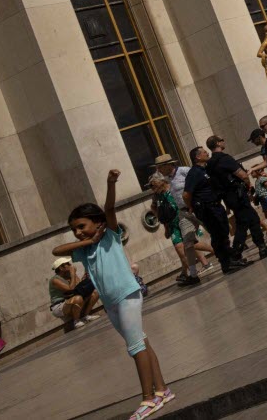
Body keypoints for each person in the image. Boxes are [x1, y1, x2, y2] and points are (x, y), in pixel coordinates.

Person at [55, 169, 172, 419]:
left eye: (82, 227)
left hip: (127, 294)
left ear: (97, 223)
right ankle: (162, 389)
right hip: (110, 303)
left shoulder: (110, 235)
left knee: (135, 346)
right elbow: (57, 250)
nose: (77, 233)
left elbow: (108, 208)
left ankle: (148, 399)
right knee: (141, 341)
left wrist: (110, 183)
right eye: (74, 229)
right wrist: (87, 241)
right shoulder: (85, 249)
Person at [206, 135, 267, 261]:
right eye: (222, 140)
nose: (224, 141)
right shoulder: (225, 158)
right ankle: (237, 252)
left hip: (228, 197)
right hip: (238, 195)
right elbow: (242, 174)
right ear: (218, 143)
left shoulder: (209, 164)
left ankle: (261, 246)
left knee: (252, 219)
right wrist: (249, 186)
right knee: (243, 223)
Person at [183, 147, 241, 274]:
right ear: (197, 157)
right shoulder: (194, 173)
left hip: (215, 206)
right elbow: (186, 195)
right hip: (207, 209)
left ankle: (230, 259)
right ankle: (225, 263)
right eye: (204, 152)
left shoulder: (206, 170)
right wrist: (191, 207)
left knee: (224, 232)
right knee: (218, 235)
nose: (207, 153)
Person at [146, 174, 202, 285]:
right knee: (180, 249)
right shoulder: (156, 196)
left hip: (183, 218)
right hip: (171, 224)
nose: (151, 189)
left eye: (152, 185)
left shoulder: (173, 188)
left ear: (160, 182)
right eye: (150, 187)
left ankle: (192, 272)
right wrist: (163, 223)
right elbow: (154, 208)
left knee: (190, 245)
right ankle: (192, 274)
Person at [50, 255, 97, 329]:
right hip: (59, 305)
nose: (70, 265)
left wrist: (81, 278)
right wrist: (72, 273)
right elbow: (70, 289)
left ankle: (86, 315)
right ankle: (76, 321)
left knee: (95, 292)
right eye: (67, 264)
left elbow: (78, 287)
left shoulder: (70, 275)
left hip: (70, 299)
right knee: (78, 298)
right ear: (61, 268)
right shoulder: (55, 280)